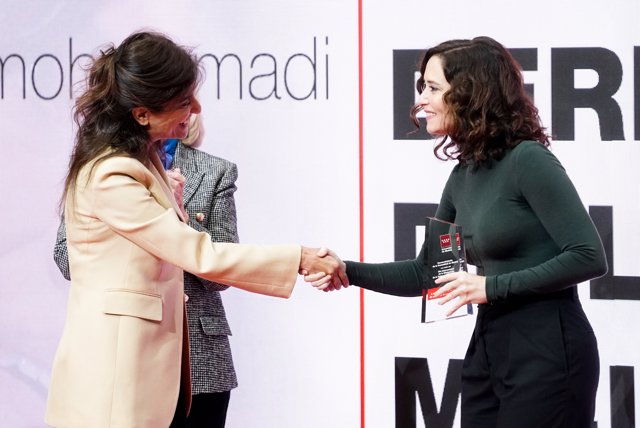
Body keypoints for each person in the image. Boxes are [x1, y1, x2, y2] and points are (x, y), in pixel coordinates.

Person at [46, 30, 346, 428]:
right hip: (117, 378)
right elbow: (200, 254)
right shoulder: (112, 175)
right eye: (185, 101)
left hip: (150, 372)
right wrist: (300, 258)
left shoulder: (140, 164)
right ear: (142, 114)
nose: (197, 108)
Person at [308, 36, 607, 428]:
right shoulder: (463, 174)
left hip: (548, 354)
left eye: (432, 88)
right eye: (421, 87)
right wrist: (345, 269)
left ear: (471, 93)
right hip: (488, 352)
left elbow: (589, 255)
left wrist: (491, 287)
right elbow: (427, 272)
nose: (421, 101)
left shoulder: (528, 160)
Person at [53, 114, 242, 427]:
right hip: (125, 355)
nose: (190, 108)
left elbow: (222, 273)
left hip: (199, 360)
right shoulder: (103, 169)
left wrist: (180, 218)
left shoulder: (215, 170)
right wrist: (142, 222)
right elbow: (66, 257)